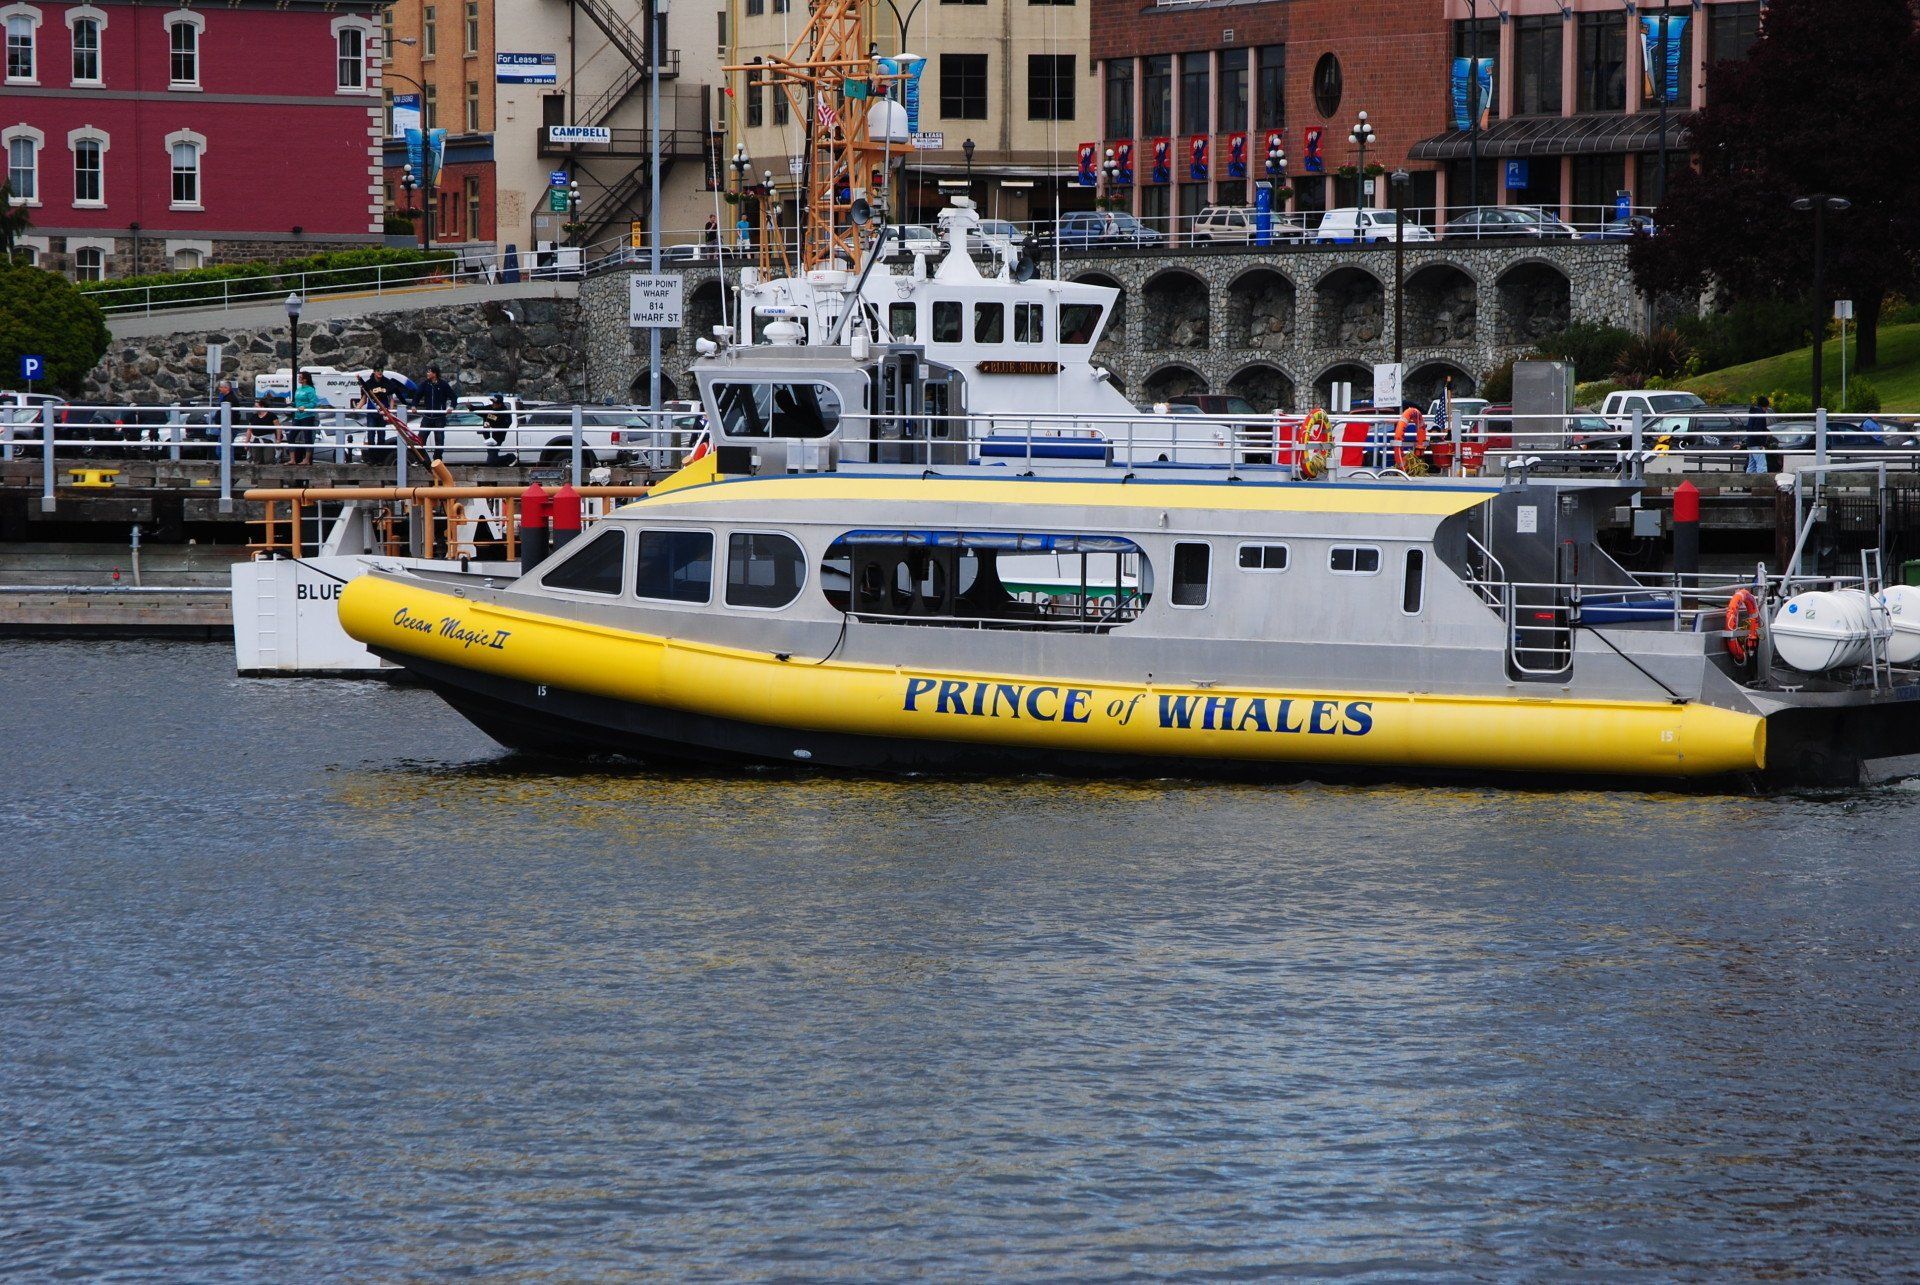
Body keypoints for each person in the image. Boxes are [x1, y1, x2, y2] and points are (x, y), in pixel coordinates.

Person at [417, 364, 455, 459]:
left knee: (439, 441)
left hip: (439, 418)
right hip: (427, 417)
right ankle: (423, 459)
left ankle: (437, 460)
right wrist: (413, 405)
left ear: (434, 373)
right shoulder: (425, 384)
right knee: (420, 440)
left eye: (429, 371)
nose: (427, 373)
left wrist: (451, 407)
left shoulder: (443, 385)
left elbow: (454, 397)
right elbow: (417, 395)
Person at [289, 372, 322, 465]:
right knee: (291, 436)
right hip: (297, 416)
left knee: (308, 438)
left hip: (307, 416)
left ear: (305, 379)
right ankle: (292, 459)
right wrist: (292, 403)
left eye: (300, 377)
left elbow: (313, 403)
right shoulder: (298, 389)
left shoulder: (310, 390)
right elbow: (297, 402)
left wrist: (305, 406)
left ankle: (307, 459)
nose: (299, 378)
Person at [482, 393, 512, 467]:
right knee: (492, 460)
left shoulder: (504, 413)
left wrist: (492, 422)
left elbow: (505, 423)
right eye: (492, 403)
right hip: (489, 438)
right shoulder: (490, 410)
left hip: (496, 438)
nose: (493, 404)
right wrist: (471, 407)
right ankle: (508, 460)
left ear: (499, 404)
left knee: (491, 461)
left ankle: (511, 457)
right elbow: (479, 410)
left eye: (495, 403)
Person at [1746, 394, 1772, 474]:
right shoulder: (1760, 414)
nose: (1766, 409)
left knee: (1752, 464)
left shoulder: (1753, 412)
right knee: (1762, 465)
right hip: (1757, 443)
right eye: (1767, 407)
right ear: (1765, 406)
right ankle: (1761, 482)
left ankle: (1747, 484)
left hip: (1750, 442)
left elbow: (1752, 427)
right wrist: (1761, 442)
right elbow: (1758, 429)